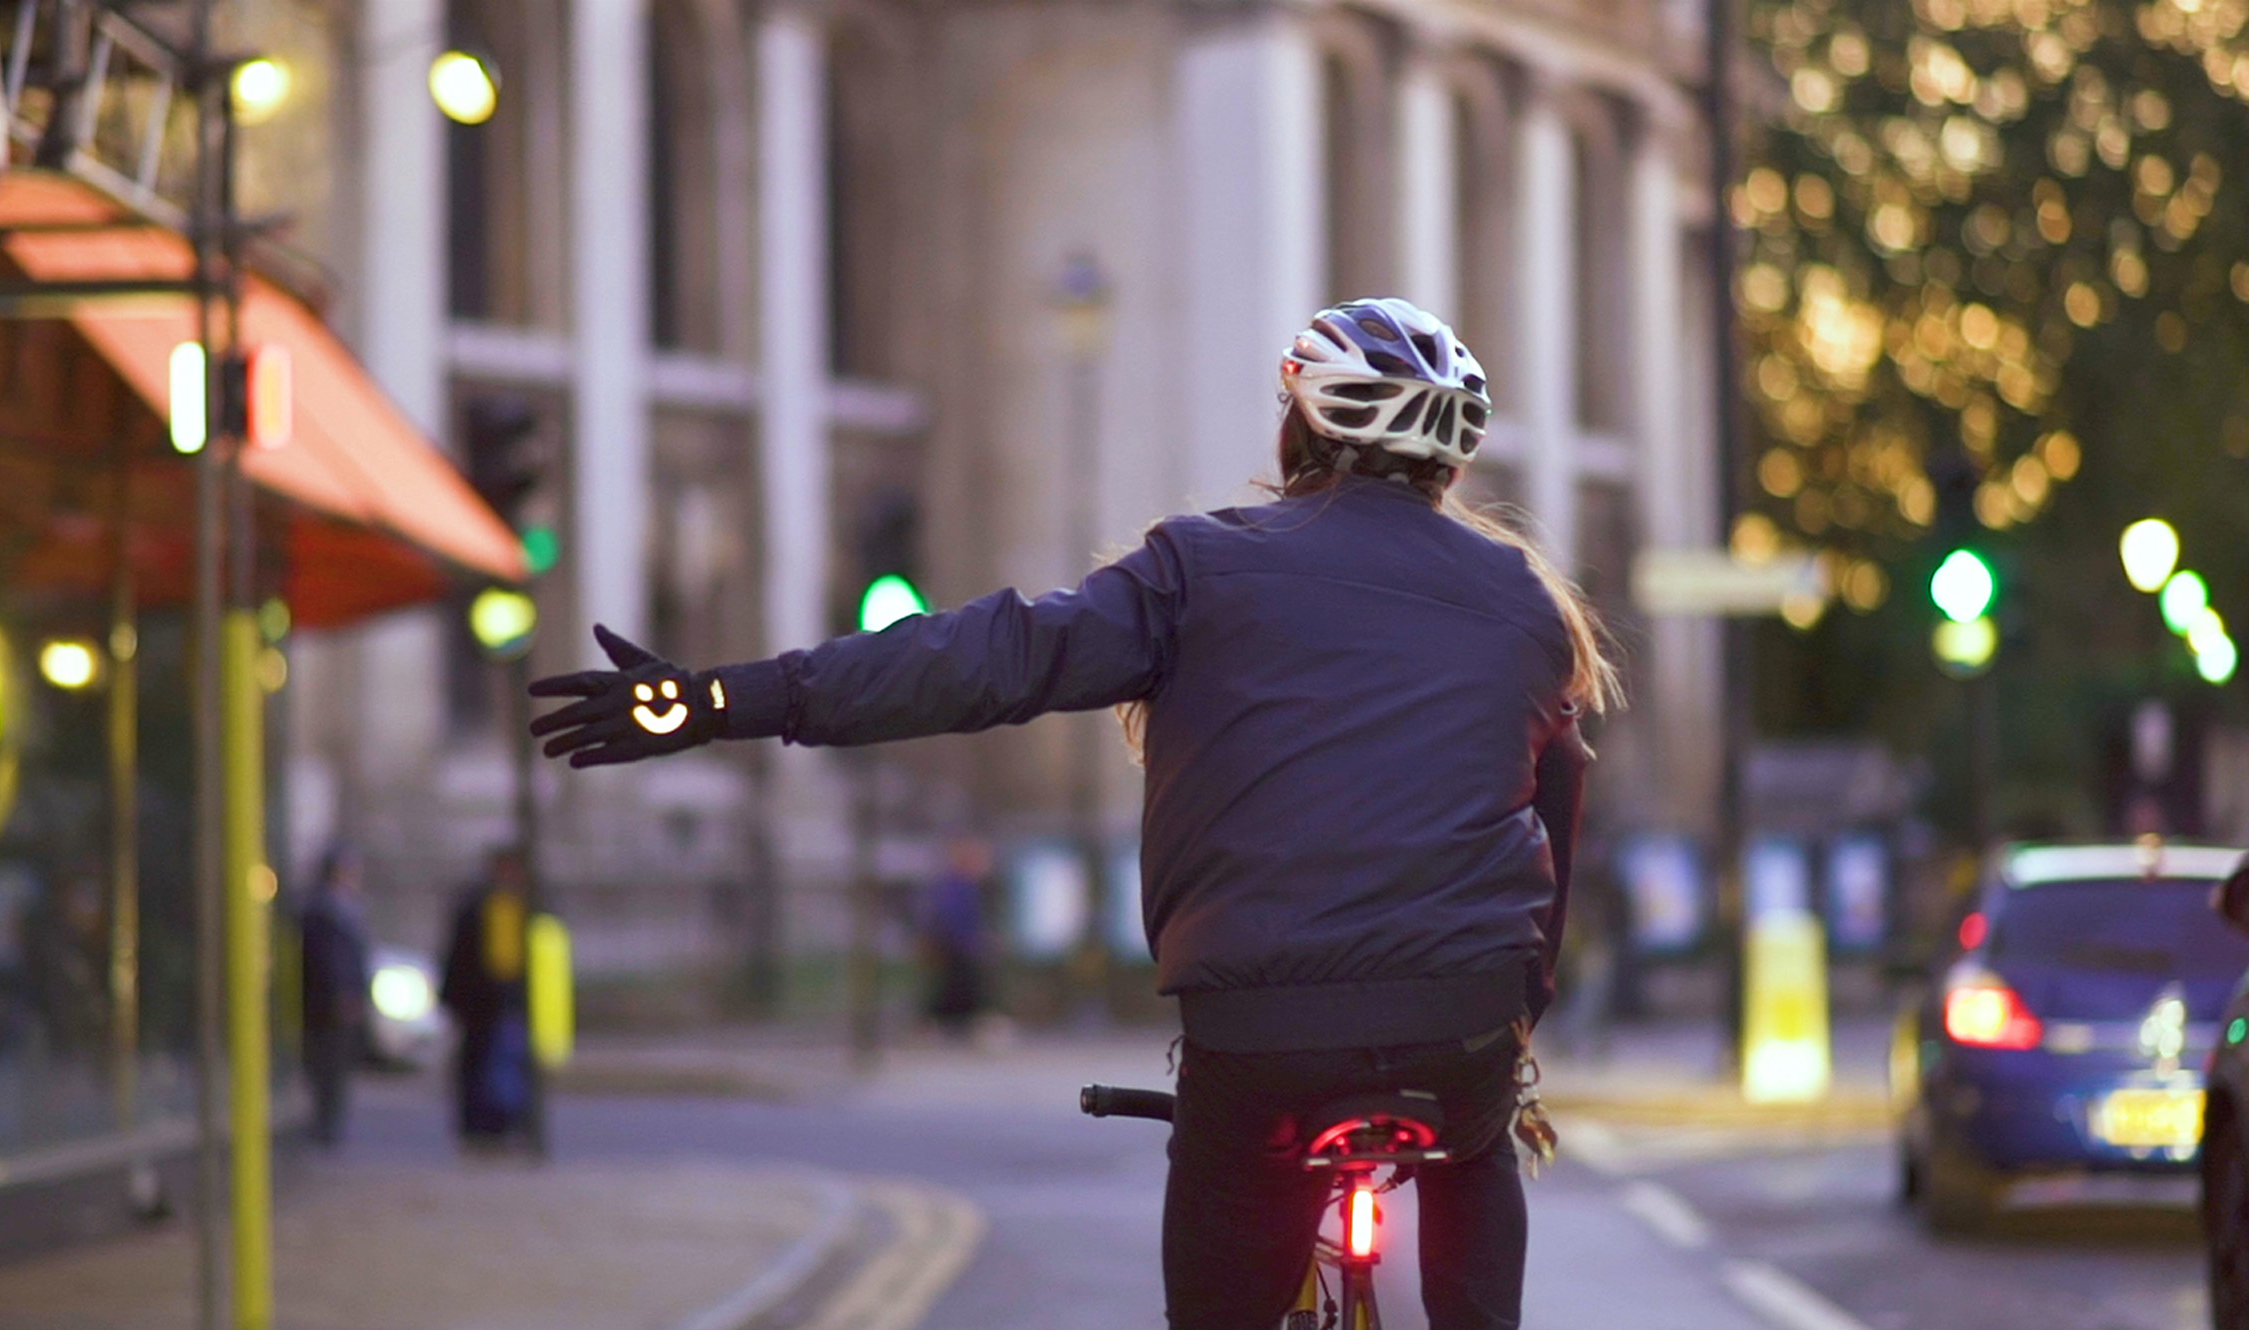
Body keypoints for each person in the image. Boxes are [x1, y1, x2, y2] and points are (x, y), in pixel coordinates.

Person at [529, 297, 1614, 1330]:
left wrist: (722, 698)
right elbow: (1556, 812)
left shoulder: (1202, 568)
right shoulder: (1523, 599)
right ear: (1450, 462)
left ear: (1302, 425)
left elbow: (986, 660)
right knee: (1477, 1151)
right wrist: (1516, 1012)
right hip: (1458, 1022)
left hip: (1262, 1035)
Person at [438, 849, 534, 1147]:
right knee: (479, 1067)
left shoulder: (520, 905)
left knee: (507, 1065)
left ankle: (505, 1123)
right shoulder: (478, 905)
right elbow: (459, 957)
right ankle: (481, 1127)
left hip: (505, 1003)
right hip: (480, 1005)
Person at [297, 843, 372, 1147]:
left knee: (335, 1065)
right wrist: (342, 993)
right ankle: (326, 1125)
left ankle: (329, 1124)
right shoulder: (326, 911)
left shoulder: (342, 908)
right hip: (328, 1003)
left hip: (336, 1000)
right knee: (327, 1066)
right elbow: (330, 959)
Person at [918, 837, 994, 1038]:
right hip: (955, 946)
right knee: (955, 984)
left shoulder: (967, 887)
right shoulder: (954, 886)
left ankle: (956, 1023)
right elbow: (949, 917)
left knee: (961, 986)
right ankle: (935, 1023)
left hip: (962, 945)